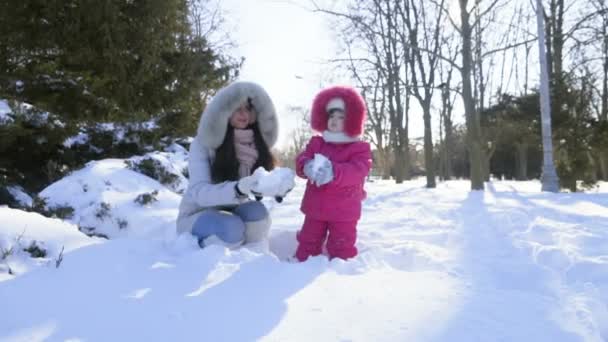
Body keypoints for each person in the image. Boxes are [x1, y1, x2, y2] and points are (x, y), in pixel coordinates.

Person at [176, 81, 279, 248]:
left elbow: (256, 185)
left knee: (258, 214)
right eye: (237, 108)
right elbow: (199, 193)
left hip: (232, 211)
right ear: (223, 111)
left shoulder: (253, 144)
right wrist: (238, 189)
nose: (243, 113)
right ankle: (215, 254)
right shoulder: (203, 144)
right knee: (231, 227)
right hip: (198, 214)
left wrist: (275, 186)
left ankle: (252, 256)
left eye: (247, 108)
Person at [294, 85, 372, 261]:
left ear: (352, 120)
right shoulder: (318, 143)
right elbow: (303, 157)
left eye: (341, 117)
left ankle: (340, 272)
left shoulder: (359, 148)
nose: (334, 120)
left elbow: (359, 170)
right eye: (331, 116)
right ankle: (300, 263)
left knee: (342, 245)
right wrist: (306, 165)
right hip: (316, 208)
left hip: (344, 210)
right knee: (308, 239)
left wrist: (334, 172)